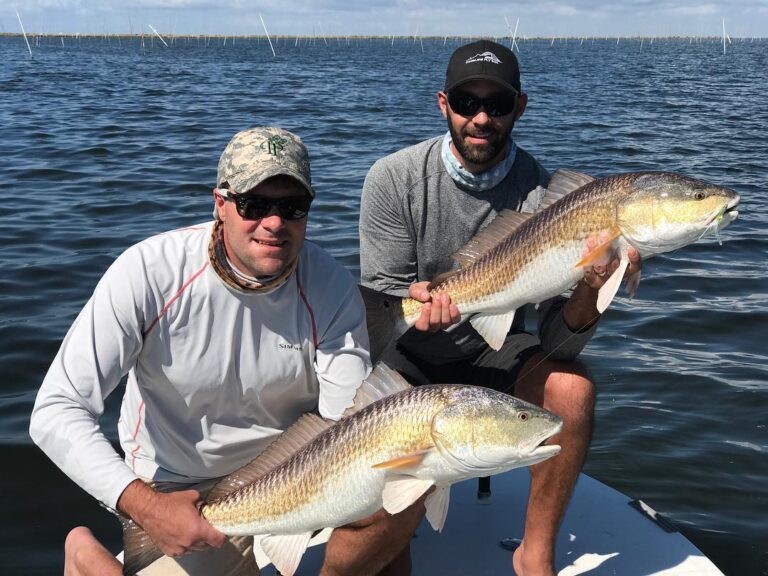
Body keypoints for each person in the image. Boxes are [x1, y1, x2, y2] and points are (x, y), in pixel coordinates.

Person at [31, 127, 420, 576]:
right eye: (254, 205)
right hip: (177, 490)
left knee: (399, 507)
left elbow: (348, 423)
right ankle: (85, 552)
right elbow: (56, 409)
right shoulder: (148, 272)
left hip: (292, 475)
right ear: (220, 204)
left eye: (292, 207)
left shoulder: (331, 286)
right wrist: (148, 507)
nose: (274, 223)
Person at [359, 40, 641, 576]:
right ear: (444, 103)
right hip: (409, 354)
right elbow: (384, 294)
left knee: (572, 389)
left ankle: (534, 556)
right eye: (467, 102)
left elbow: (558, 342)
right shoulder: (392, 178)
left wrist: (592, 288)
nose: (482, 117)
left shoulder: (549, 196)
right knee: (389, 560)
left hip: (496, 348)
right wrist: (411, 302)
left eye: (498, 103)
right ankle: (395, 538)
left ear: (521, 106)